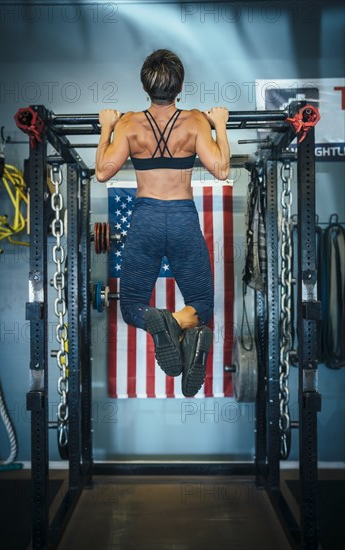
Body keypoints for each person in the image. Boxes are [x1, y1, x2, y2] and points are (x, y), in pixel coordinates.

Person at [95, 49, 230, 397]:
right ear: (180, 86)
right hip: (183, 218)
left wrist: (107, 128)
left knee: (131, 307)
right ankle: (181, 328)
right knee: (201, 306)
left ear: (146, 87)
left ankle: (165, 325)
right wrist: (221, 125)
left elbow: (102, 173)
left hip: (146, 220)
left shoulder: (127, 124)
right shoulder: (197, 121)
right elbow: (222, 170)